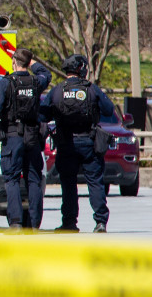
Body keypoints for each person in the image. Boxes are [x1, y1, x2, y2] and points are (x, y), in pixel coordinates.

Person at [41, 54, 116, 233]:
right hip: (89, 141)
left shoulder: (57, 90)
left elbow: (43, 114)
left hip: (66, 142)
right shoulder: (91, 89)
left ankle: (69, 222)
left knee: (68, 185)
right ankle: (100, 222)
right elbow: (108, 109)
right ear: (81, 69)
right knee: (95, 183)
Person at [0, 49, 52, 232]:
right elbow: (47, 74)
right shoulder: (36, 82)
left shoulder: (5, 83)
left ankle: (15, 223)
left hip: (13, 135)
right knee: (33, 179)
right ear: (28, 63)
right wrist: (32, 63)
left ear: (14, 62)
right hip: (32, 135)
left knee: (12, 179)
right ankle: (34, 224)